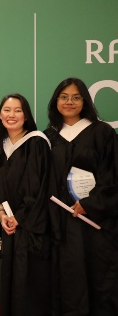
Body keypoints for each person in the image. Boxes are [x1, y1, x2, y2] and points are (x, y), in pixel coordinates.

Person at [44, 77, 118, 316]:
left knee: (98, 278)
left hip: (94, 223)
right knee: (64, 278)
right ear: (56, 101)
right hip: (60, 222)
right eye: (64, 97)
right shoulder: (49, 137)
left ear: (85, 101)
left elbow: (112, 175)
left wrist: (91, 204)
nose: (70, 102)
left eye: (76, 97)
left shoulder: (102, 132)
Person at [0, 94, 51, 316]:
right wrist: (1, 214)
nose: (12, 115)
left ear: (26, 115)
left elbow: (41, 188)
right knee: (11, 281)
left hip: (31, 230)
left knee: (30, 286)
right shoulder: (0, 149)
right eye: (7, 110)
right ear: (0, 115)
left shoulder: (36, 143)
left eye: (18, 110)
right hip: (8, 227)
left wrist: (19, 217)